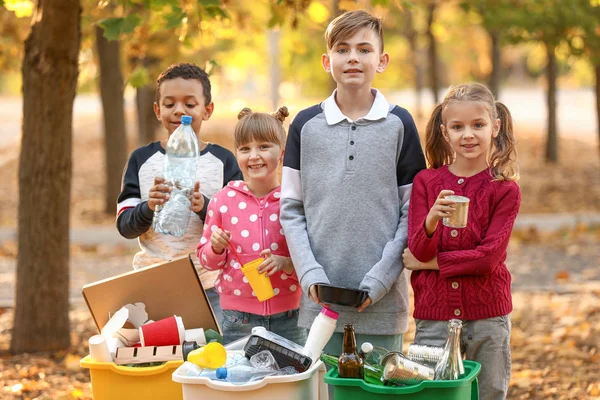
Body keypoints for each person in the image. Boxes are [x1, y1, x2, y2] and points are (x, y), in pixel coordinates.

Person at [280, 10, 426, 357]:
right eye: (342, 50)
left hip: (382, 304)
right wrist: (310, 275)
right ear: (326, 61)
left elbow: (413, 211)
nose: (353, 58)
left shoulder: (399, 124)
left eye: (364, 49)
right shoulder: (305, 125)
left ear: (382, 60)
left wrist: (381, 278)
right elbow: (291, 209)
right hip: (320, 303)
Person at [403, 82, 520, 400]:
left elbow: (488, 259)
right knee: (431, 392)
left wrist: (431, 264)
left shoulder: (504, 189)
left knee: (490, 391)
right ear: (445, 131)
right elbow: (417, 248)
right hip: (435, 314)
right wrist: (431, 220)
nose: (468, 134)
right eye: (458, 127)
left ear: (495, 127)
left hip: (487, 313)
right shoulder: (427, 182)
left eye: (478, 125)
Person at [116, 63, 242, 325]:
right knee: (159, 358)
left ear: (207, 110)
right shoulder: (141, 159)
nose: (179, 111)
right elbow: (125, 226)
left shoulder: (223, 161)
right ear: (157, 110)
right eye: (170, 103)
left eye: (190, 104)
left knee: (210, 357)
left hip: (210, 287)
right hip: (152, 283)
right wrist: (149, 207)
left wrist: (206, 208)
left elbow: (239, 226)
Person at [196, 106, 306, 346]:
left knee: (291, 379)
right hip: (238, 319)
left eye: (264, 147)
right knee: (240, 381)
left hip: (291, 316)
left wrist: (286, 263)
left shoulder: (295, 201)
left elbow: (311, 256)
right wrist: (215, 248)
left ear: (283, 154)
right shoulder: (223, 201)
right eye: (245, 149)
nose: (254, 156)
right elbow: (206, 261)